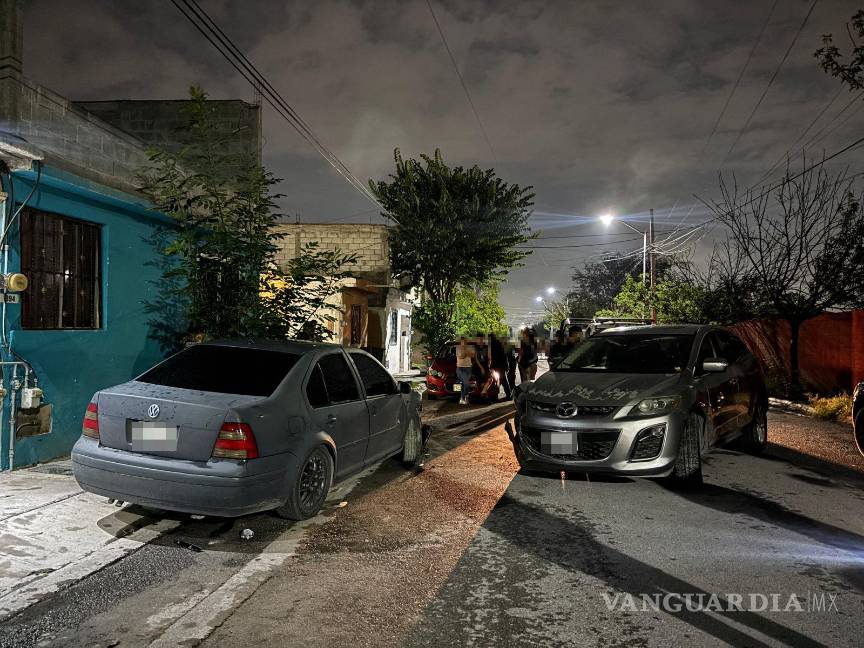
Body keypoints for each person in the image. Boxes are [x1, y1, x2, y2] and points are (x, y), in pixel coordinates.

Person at [488, 332, 511, 399]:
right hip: (501, 365)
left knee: (497, 381)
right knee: (503, 381)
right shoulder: (498, 344)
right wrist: (507, 366)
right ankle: (508, 395)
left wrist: (491, 366)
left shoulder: (491, 345)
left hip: (496, 365)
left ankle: (495, 395)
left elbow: (492, 357)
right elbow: (503, 356)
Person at [455, 336, 475, 405]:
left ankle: (462, 398)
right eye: (462, 342)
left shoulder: (470, 347)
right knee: (466, 383)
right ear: (460, 342)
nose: (463, 343)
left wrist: (466, 354)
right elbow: (461, 356)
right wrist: (467, 353)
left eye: (465, 342)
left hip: (468, 368)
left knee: (464, 384)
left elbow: (473, 355)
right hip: (460, 368)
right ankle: (466, 396)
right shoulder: (458, 348)